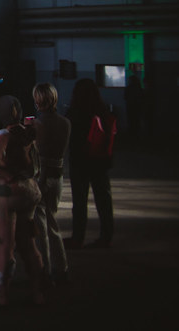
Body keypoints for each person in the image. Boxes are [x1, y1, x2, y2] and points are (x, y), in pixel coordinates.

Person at [0, 95, 44, 306]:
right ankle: (38, 292)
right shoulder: (28, 132)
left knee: (4, 244)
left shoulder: (3, 134)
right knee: (28, 243)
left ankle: (1, 295)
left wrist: (4, 169)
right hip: (29, 190)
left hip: (7, 192)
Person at [65, 78, 115, 249]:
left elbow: (69, 137)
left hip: (80, 162)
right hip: (100, 161)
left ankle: (78, 237)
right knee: (103, 200)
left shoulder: (74, 112)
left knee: (79, 202)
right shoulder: (102, 110)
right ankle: (106, 237)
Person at [32, 82, 70, 285]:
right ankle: (61, 267)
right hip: (58, 175)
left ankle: (43, 270)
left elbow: (37, 151)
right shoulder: (65, 123)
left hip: (41, 175)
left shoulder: (38, 124)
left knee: (40, 226)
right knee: (52, 222)